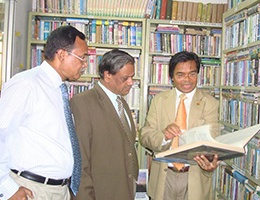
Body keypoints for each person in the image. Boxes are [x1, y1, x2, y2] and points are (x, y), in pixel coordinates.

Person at [0, 25, 88, 200]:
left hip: (58, 190)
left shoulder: (59, 89)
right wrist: (5, 187)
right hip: (30, 189)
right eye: (81, 58)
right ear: (61, 54)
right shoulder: (27, 84)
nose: (85, 64)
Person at [140, 51, 220, 200]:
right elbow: (145, 135)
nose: (187, 80)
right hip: (164, 176)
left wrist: (210, 161)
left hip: (195, 176)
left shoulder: (210, 103)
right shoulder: (159, 100)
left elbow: (212, 137)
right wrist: (164, 136)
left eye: (192, 73)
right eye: (180, 75)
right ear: (172, 77)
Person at [70, 49, 139, 200]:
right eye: (125, 78)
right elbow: (80, 159)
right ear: (107, 75)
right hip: (100, 193)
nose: (131, 83)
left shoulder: (121, 102)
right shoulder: (83, 102)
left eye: (132, 77)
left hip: (125, 190)